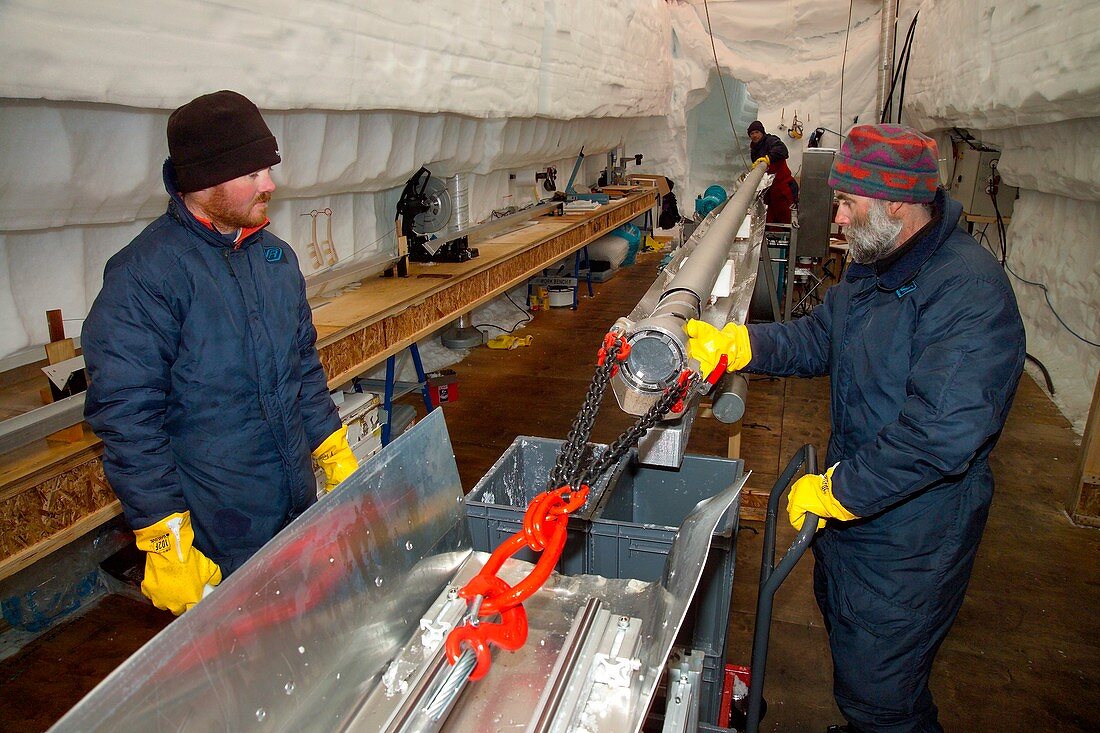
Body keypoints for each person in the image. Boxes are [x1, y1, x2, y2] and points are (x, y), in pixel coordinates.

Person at [686, 124, 1025, 733]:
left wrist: (841, 492)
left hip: (913, 531)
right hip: (861, 501)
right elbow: (822, 336)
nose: (836, 217)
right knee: (852, 647)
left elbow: (939, 435)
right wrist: (742, 346)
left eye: (848, 203)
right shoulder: (879, 262)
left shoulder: (968, 294)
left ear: (895, 203)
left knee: (882, 690)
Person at [83, 91, 359, 615]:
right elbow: (128, 419)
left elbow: (302, 371)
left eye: (268, 169)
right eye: (252, 173)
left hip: (293, 507)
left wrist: (333, 453)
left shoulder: (276, 260)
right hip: (218, 532)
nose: (270, 184)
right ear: (206, 179)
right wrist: (164, 538)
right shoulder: (145, 276)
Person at [747, 120, 798, 224]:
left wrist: (768, 159)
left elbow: (782, 150)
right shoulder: (754, 149)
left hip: (784, 189)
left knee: (785, 221)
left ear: (762, 132)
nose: (754, 135)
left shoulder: (770, 140)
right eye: (752, 133)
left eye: (757, 132)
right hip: (769, 191)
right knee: (769, 221)